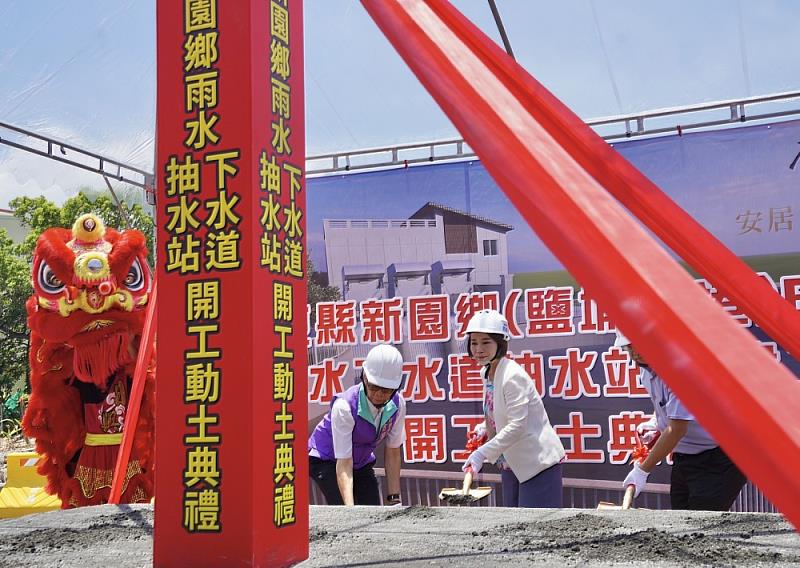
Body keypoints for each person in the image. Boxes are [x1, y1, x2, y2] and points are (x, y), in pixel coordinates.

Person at [616, 332, 747, 510]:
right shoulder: (646, 370)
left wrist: (642, 471)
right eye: (629, 348)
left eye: (639, 345)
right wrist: (655, 422)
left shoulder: (678, 371)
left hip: (719, 458)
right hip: (685, 459)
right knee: (681, 517)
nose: (635, 352)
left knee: (701, 524)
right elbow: (666, 406)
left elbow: (677, 429)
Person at [461, 309, 566, 508]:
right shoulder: (489, 372)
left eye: (486, 342)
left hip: (537, 464)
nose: (478, 349)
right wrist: (485, 427)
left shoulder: (512, 376)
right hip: (512, 464)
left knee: (537, 530)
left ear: (500, 343)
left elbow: (517, 425)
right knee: (515, 527)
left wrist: (481, 453)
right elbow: (499, 411)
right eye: (474, 342)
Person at [308, 344, 406, 506]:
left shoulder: (398, 405)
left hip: (360, 460)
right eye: (374, 387)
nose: (379, 395)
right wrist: (350, 511)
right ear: (364, 377)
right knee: (344, 509)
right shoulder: (344, 406)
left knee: (371, 509)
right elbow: (344, 462)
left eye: (386, 390)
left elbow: (393, 451)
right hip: (327, 459)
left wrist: (394, 499)